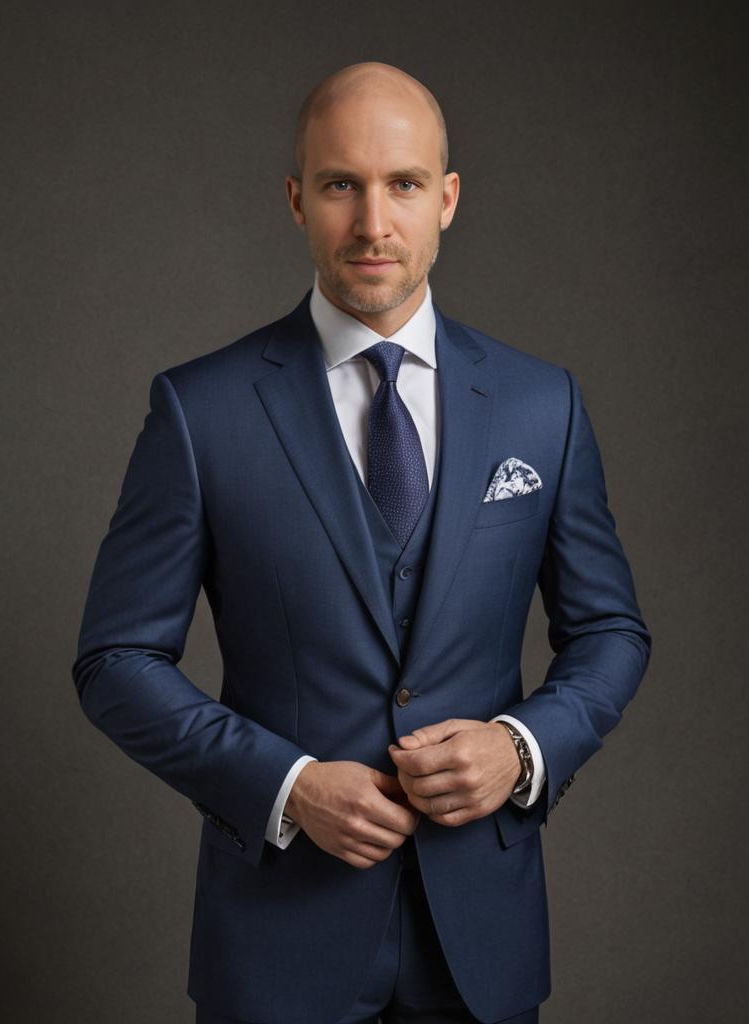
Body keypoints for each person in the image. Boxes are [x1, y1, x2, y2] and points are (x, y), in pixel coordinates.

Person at [72, 61, 651, 1024]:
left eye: (404, 184)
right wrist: (288, 787)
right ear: (298, 201)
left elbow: (612, 632)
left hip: (484, 948)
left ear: (448, 200)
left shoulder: (540, 404)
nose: (373, 223)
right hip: (275, 947)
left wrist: (522, 745)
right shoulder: (200, 410)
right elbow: (115, 660)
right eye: (342, 184)